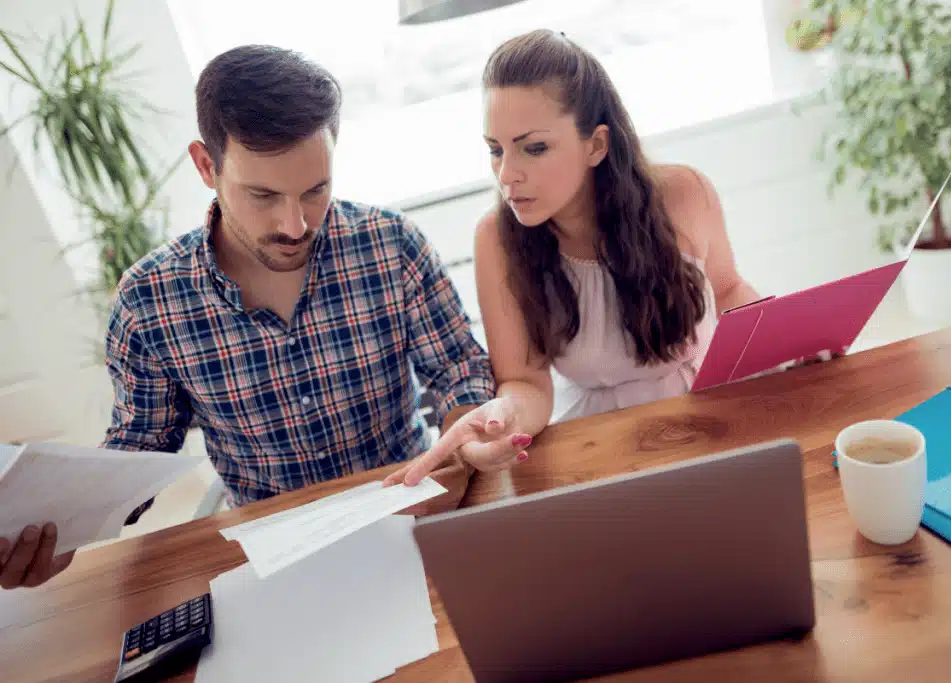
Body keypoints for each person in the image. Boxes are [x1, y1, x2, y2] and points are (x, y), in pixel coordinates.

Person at [0, 45, 528, 590]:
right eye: (263, 195)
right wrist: (64, 536)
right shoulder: (149, 302)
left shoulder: (391, 245)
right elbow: (139, 449)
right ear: (207, 166)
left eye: (315, 190)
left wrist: (465, 436)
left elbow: (457, 369)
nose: (296, 224)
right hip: (278, 560)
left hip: (416, 519)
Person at [388, 28, 765, 487]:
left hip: (708, 420)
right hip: (595, 449)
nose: (507, 174)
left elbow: (729, 292)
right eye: (495, 150)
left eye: (534, 147)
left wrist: (788, 342)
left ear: (596, 145)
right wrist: (500, 418)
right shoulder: (496, 239)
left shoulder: (684, 193)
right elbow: (526, 383)